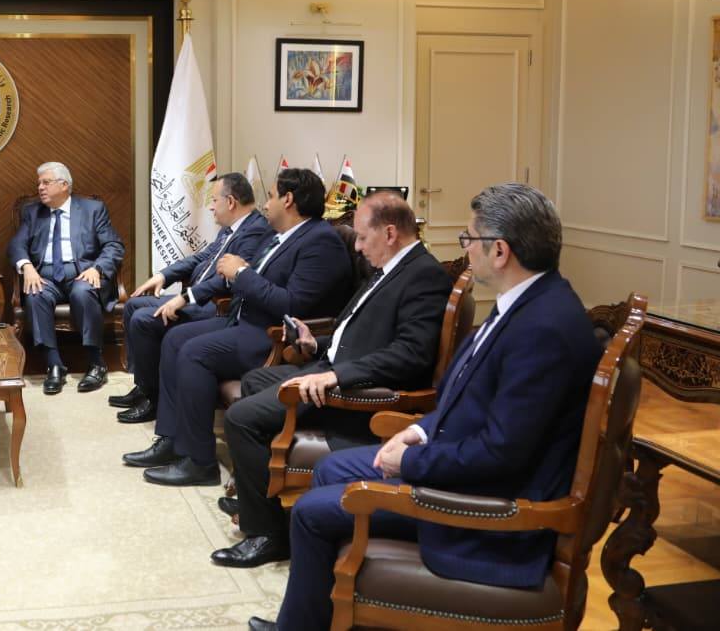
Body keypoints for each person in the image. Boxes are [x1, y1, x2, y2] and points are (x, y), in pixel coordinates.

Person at [248, 183, 601, 631]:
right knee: (331, 471)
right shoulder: (530, 302)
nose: (464, 249)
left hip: (488, 510)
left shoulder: (544, 330)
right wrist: (417, 431)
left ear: (500, 251)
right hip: (462, 463)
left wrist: (412, 462)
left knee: (311, 512)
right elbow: (467, 399)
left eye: (469, 238)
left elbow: (502, 454)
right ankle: (327, 617)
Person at [213, 191, 451, 569]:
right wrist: (315, 342)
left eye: (363, 237)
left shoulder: (424, 275)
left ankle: (268, 535)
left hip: (356, 393)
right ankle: (259, 497)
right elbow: (356, 334)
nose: (357, 247)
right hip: (334, 370)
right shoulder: (389, 268)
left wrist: (336, 374)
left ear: (390, 233)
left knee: (242, 418)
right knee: (256, 380)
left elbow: (410, 355)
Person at [124, 168, 354, 486]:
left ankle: (200, 462)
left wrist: (241, 273)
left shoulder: (320, 241)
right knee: (175, 338)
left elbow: (292, 304)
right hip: (243, 319)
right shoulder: (281, 236)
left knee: (193, 352)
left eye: (271, 196)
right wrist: (241, 272)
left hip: (270, 335)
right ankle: (172, 440)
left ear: (288, 200)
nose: (265, 204)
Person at [113, 172, 271, 423]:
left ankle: (154, 399)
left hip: (214, 305)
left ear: (230, 202)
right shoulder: (230, 228)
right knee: (133, 305)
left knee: (144, 319)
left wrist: (187, 296)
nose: (210, 207)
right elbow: (202, 258)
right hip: (196, 297)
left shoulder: (256, 230)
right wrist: (163, 275)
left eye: (214, 200)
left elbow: (230, 279)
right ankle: (145, 385)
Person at [8, 161, 125, 395]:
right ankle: (54, 365)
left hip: (82, 274)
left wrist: (97, 269)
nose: (40, 187)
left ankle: (96, 363)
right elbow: (16, 245)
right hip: (46, 278)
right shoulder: (32, 212)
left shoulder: (93, 209)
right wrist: (27, 266)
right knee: (35, 294)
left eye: (46, 182)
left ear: (64, 185)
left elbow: (114, 245)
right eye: (39, 183)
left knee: (83, 291)